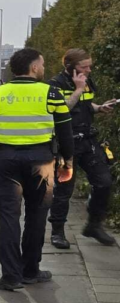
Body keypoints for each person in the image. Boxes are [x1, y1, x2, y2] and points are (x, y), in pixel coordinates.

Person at [0, 48, 75, 291]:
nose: (43, 68)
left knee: (9, 216)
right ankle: (31, 271)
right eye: (42, 64)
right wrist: (67, 163)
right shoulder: (51, 93)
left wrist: (3, 134)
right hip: (41, 160)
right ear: (33, 67)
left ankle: (10, 276)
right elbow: (64, 132)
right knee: (37, 215)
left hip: (7, 159)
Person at [47, 48, 116, 248]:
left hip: (88, 141)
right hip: (66, 143)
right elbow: (62, 109)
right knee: (64, 189)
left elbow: (85, 105)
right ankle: (57, 232)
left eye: (89, 66)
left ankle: (94, 225)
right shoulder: (55, 84)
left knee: (103, 182)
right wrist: (77, 89)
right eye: (84, 67)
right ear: (70, 67)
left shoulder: (86, 81)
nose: (88, 70)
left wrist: (99, 107)